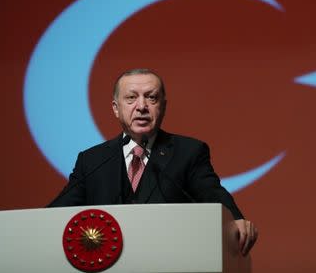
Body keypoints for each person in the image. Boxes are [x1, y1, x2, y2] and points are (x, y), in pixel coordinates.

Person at [49, 68, 258, 256]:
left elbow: (212, 192)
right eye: (131, 98)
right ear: (115, 108)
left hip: (169, 258)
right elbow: (57, 213)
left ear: (163, 107)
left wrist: (235, 219)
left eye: (151, 98)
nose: (142, 106)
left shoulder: (188, 152)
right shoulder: (92, 160)